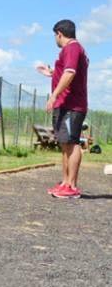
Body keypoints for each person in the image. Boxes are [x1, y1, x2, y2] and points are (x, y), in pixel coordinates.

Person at [37, 19, 89, 199]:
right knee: (65, 143)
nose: (55, 39)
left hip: (72, 104)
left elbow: (70, 72)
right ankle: (65, 183)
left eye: (55, 36)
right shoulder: (72, 50)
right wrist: (51, 73)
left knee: (71, 143)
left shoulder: (72, 47)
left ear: (59, 33)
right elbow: (67, 72)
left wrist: (54, 95)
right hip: (66, 104)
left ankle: (72, 186)